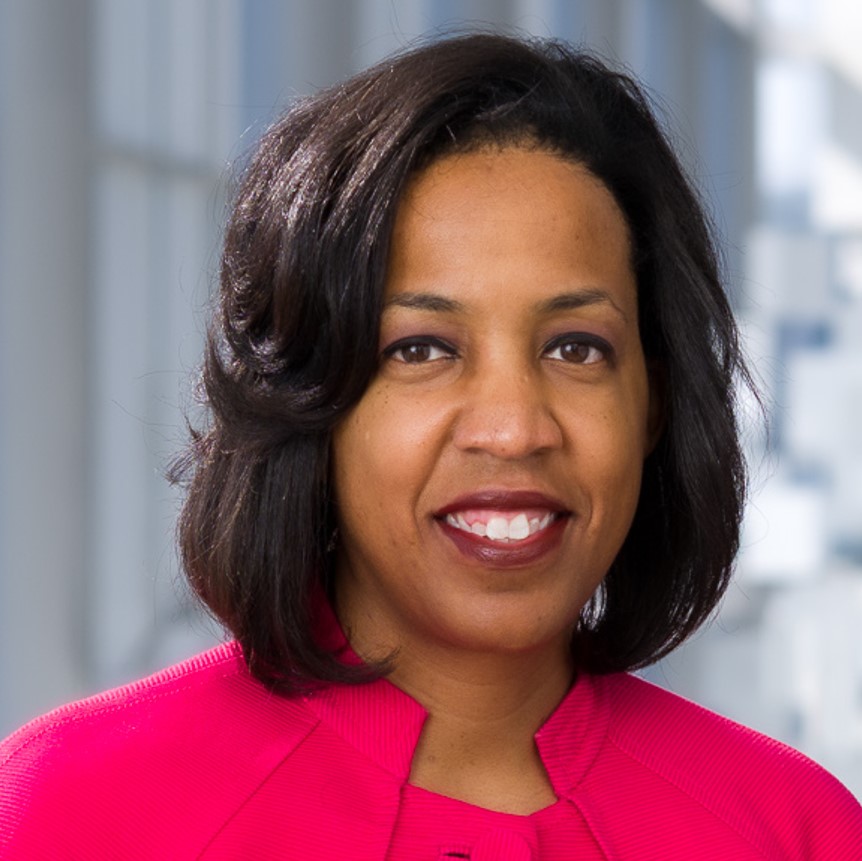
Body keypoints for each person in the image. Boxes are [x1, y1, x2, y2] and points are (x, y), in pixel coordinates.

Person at [1, 33, 860, 860]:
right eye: (421, 349)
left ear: (654, 407)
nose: (515, 428)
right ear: (311, 395)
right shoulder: (73, 807)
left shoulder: (796, 829)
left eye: (576, 347)